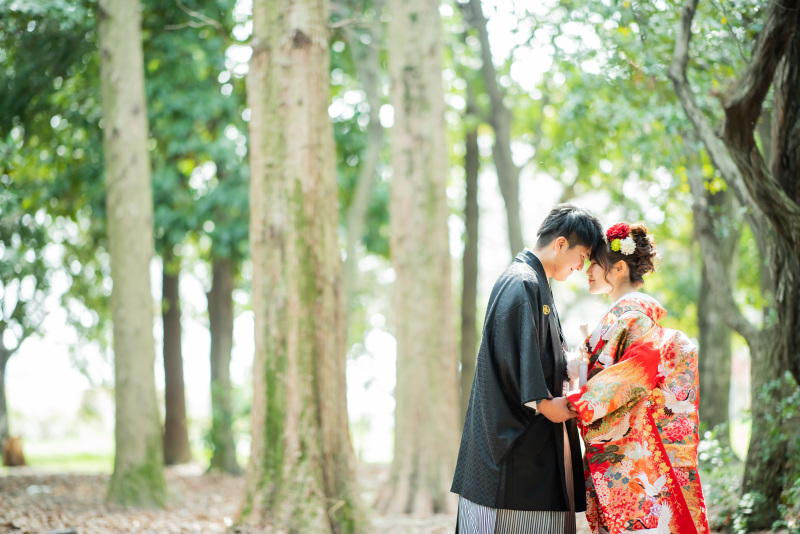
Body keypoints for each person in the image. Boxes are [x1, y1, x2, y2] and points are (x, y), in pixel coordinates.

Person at [451, 204, 604, 534]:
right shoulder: (523, 283)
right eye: (583, 255)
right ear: (560, 244)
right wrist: (548, 406)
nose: (582, 266)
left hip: (526, 445)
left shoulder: (535, 282)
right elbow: (515, 361)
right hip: (512, 451)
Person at [566, 222, 710, 534]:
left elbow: (640, 370)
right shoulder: (620, 317)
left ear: (618, 268)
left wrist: (576, 401)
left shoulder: (633, 317)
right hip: (625, 447)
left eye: (594, 264)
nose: (587, 271)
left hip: (635, 450)